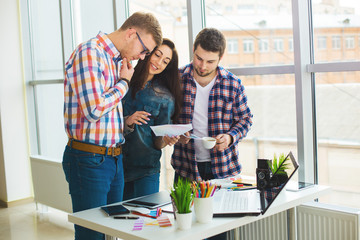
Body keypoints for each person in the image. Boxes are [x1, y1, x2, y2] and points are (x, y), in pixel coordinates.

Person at [62, 12, 162, 240]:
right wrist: (123, 83)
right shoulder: (89, 53)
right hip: (89, 160)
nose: (143, 56)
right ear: (130, 34)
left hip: (114, 159)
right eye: (144, 49)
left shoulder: (116, 61)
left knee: (113, 232)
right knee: (92, 235)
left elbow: (107, 117)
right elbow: (94, 110)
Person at [167, 27, 253, 182]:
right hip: (185, 167)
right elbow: (166, 116)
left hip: (224, 168)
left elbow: (245, 120)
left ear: (221, 57)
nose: (203, 66)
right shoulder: (177, 79)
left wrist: (230, 137)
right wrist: (176, 132)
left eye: (210, 61)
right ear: (193, 50)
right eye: (199, 58)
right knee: (184, 207)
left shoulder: (232, 84)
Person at [122, 38, 182, 200]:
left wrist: (166, 139)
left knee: (144, 222)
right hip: (116, 168)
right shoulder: (122, 81)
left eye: (165, 61)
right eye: (157, 55)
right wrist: (127, 120)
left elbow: (158, 143)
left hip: (146, 171)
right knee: (118, 221)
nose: (159, 63)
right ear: (148, 52)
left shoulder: (164, 98)